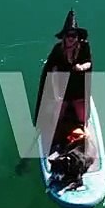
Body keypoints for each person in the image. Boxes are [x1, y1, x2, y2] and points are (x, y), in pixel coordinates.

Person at [35, 10, 93, 139]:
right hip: (63, 88)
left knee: (83, 118)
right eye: (68, 35)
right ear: (64, 37)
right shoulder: (58, 51)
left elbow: (89, 62)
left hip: (77, 88)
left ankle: (83, 133)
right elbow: (52, 74)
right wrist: (57, 95)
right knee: (57, 117)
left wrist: (81, 67)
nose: (71, 38)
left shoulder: (84, 47)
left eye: (74, 35)